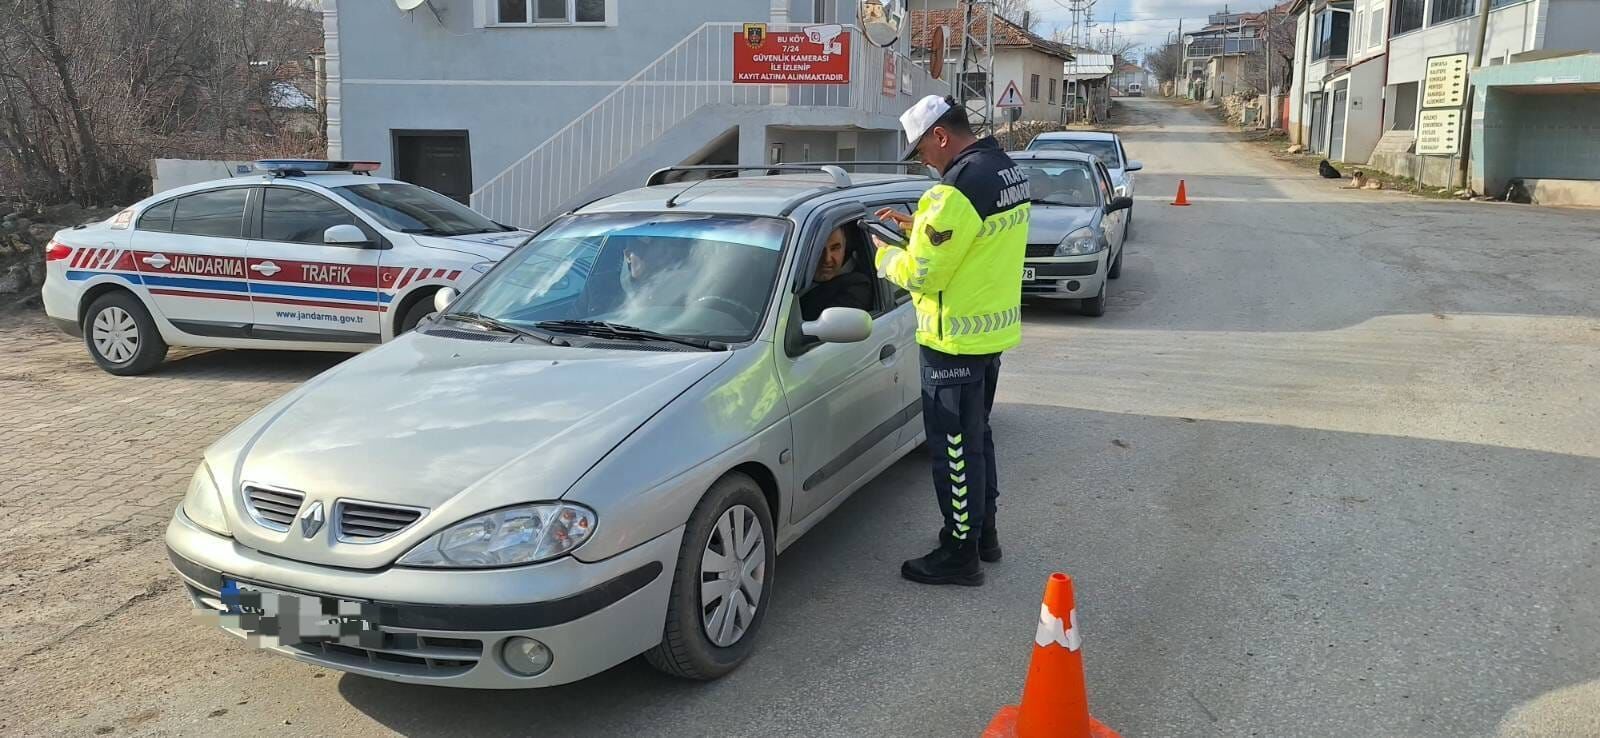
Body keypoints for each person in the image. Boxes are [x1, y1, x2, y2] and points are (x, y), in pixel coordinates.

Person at [872, 95, 1028, 587]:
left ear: (941, 136)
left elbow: (922, 273)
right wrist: (916, 225)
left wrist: (882, 255)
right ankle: (985, 537)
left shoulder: (952, 191)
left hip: (953, 341)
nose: (923, 161)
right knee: (977, 437)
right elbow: (974, 239)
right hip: (990, 334)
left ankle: (959, 554)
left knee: (954, 451)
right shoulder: (1006, 170)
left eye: (922, 150)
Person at [799, 227, 873, 321]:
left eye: (835, 248)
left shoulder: (857, 286)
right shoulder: (786, 274)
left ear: (845, 247)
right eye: (819, 250)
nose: (827, 259)